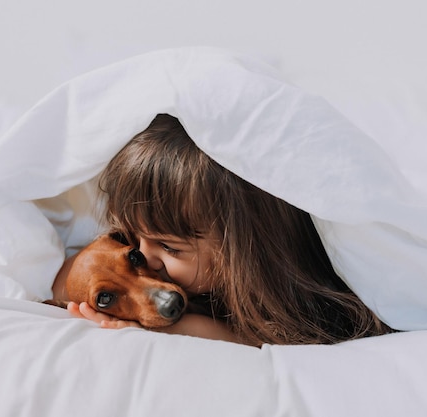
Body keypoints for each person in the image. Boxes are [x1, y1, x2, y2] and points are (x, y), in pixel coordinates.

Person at [64, 113, 392, 346]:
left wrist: (179, 328)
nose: (145, 257)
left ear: (238, 248)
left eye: (170, 247)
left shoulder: (312, 305)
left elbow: (263, 343)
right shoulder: (174, 272)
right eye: (135, 240)